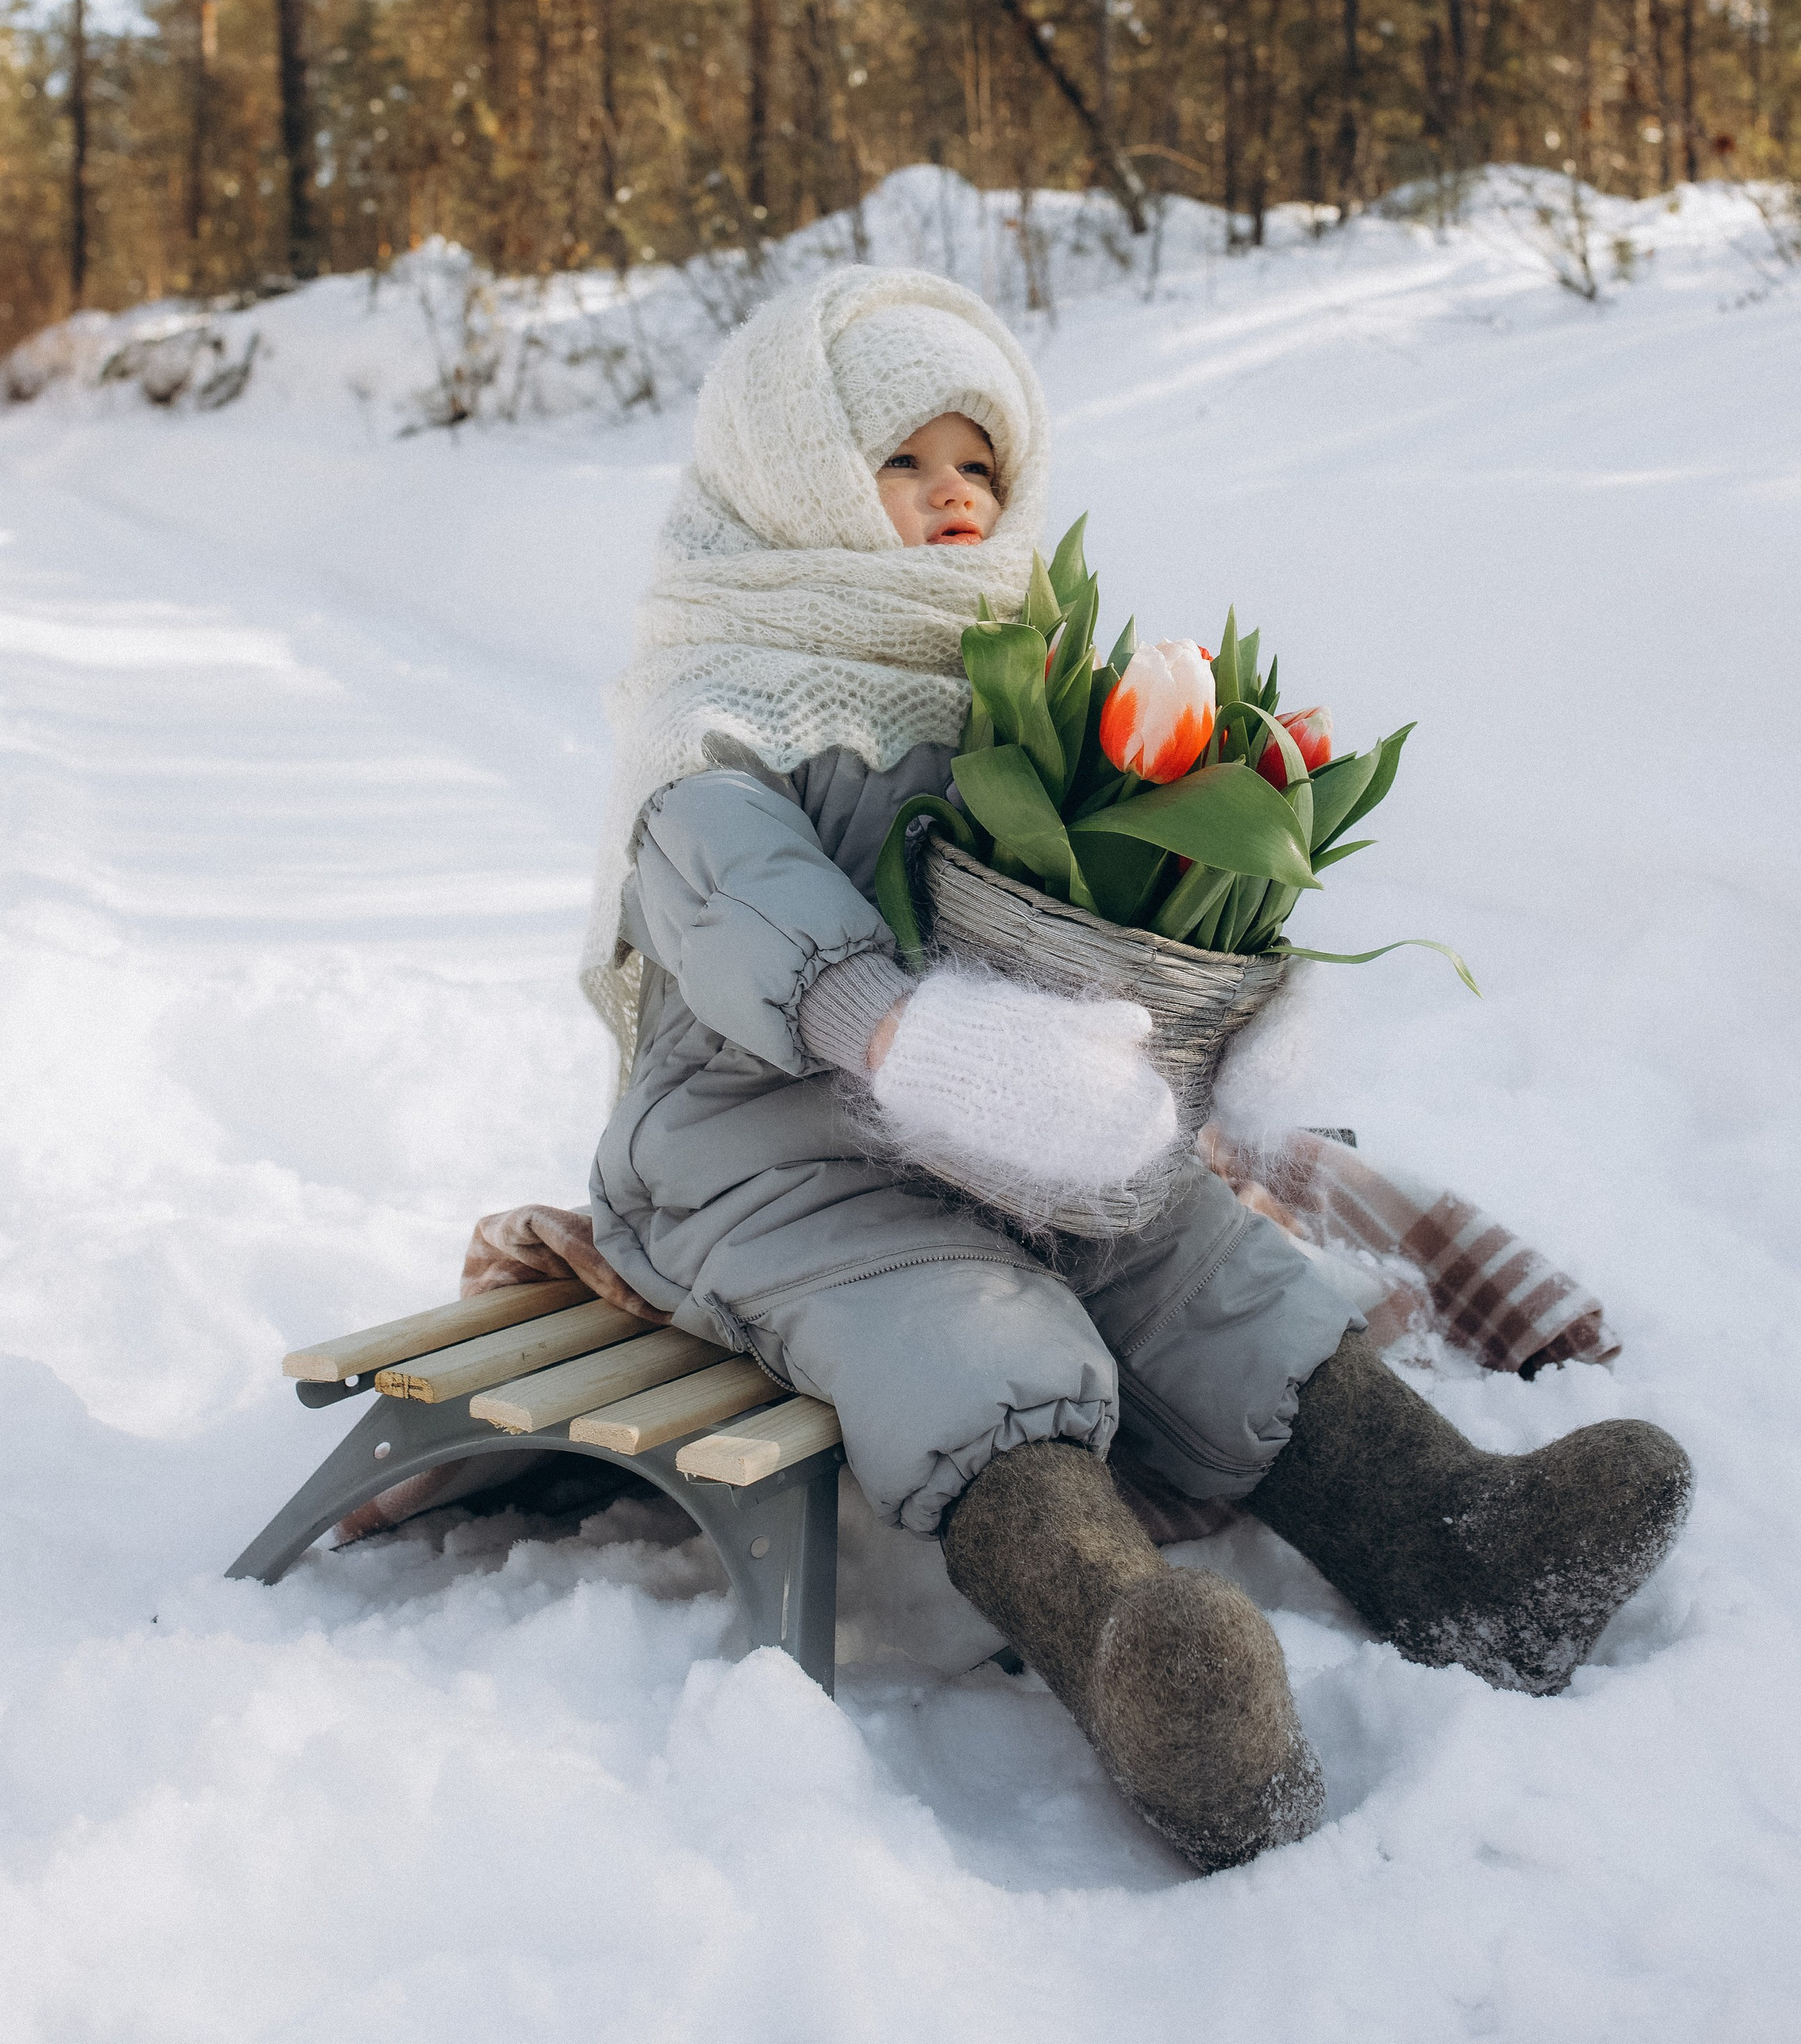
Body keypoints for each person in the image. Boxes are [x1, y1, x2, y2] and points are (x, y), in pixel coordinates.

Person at [585, 264, 1692, 1872]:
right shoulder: (716, 708)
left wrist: (1226, 1022)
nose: (951, 495)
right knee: (970, 1340)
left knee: (1196, 1258)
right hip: (771, 1153)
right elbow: (744, 914)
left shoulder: (1009, 670)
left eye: (978, 464)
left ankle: (1457, 1543)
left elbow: (1107, 885)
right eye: (903, 461)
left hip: (1019, 1118)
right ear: (793, 471)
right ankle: (1135, 1664)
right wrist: (906, 1039)